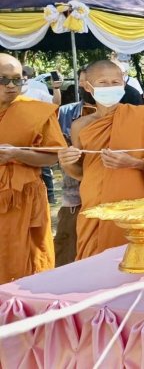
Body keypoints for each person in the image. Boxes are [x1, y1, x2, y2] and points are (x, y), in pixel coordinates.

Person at [58, 60, 144, 260]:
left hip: (135, 206)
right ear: (88, 86)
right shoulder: (81, 125)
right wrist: (67, 160)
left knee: (137, 260)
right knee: (95, 263)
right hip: (95, 206)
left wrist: (133, 163)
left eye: (115, 81)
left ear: (123, 84)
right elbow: (82, 172)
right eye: (103, 82)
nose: (110, 87)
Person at [0, 54, 65, 284]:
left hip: (24, 198)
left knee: (26, 261)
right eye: (3, 79)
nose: (10, 86)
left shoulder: (37, 112)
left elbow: (52, 158)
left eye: (16, 80)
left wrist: (17, 153)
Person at [55, 69, 97, 266]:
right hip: (74, 193)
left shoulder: (122, 114)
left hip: (105, 192)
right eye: (82, 82)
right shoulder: (66, 112)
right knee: (69, 250)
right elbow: (58, 145)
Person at [21, 65, 61, 204]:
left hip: (36, 132)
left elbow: (54, 103)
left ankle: (50, 196)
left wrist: (56, 89)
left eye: (21, 79)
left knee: (43, 166)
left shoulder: (36, 88)